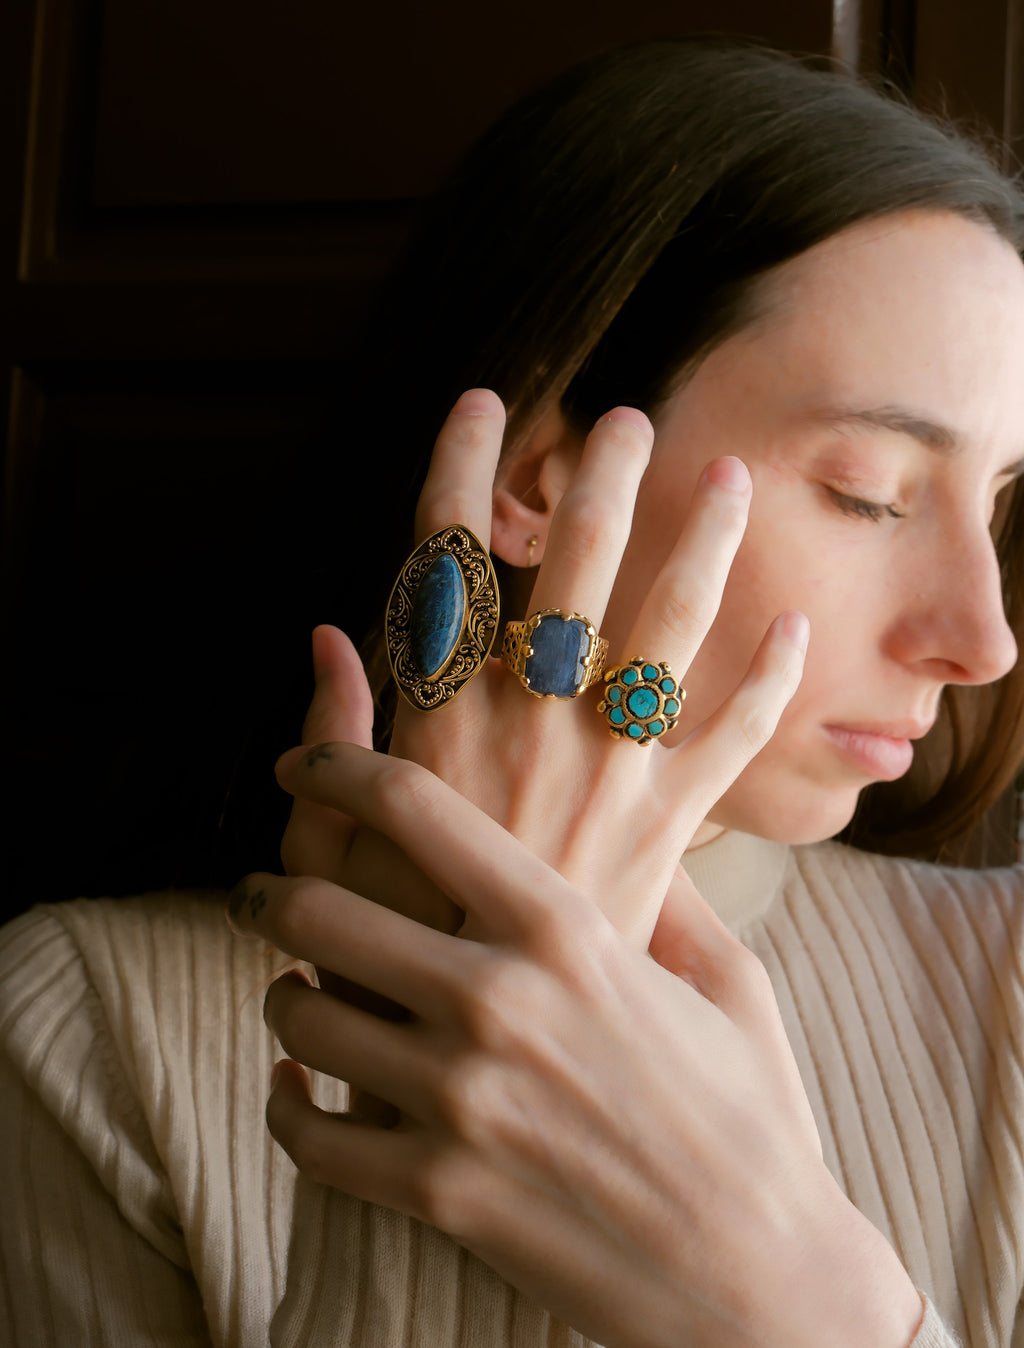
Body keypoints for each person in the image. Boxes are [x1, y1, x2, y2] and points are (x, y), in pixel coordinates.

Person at [4, 35, 1024, 1348]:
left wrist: (800, 1294)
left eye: (996, 509)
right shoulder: (87, 1034)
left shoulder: (1006, 991)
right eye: (869, 492)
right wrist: (453, 1110)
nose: (984, 638)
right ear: (542, 480)